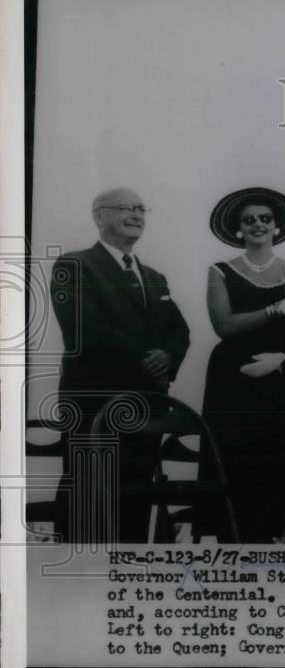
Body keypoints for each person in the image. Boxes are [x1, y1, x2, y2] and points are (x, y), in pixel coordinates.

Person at [49, 188, 191, 542]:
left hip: (146, 405)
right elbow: (84, 326)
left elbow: (179, 330)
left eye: (142, 208)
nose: (137, 214)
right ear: (99, 216)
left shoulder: (155, 277)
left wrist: (169, 356)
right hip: (92, 402)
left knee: (135, 495)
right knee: (88, 495)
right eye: (126, 208)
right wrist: (147, 356)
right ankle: (77, 585)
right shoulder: (74, 264)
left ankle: (126, 576)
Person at [203, 187, 285, 542]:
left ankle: (267, 549)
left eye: (265, 218)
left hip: (276, 377)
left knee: (272, 459)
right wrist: (277, 308)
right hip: (230, 377)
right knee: (231, 459)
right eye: (249, 219)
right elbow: (224, 325)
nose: (258, 224)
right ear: (238, 229)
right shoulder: (220, 270)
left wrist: (284, 358)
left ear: (277, 226)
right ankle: (229, 547)